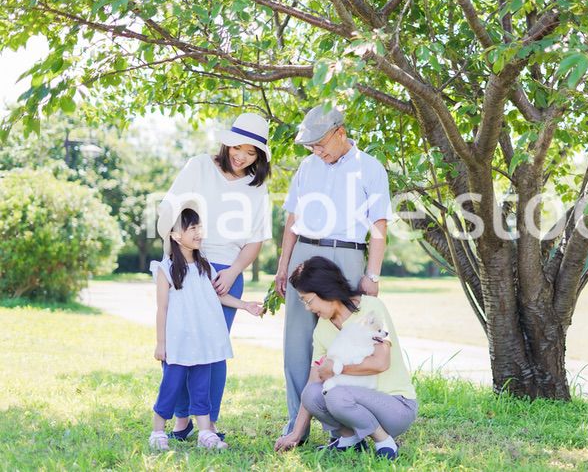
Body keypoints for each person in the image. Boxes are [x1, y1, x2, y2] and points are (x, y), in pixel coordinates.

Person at [274, 105, 393, 441]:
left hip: (347, 254)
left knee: (346, 341)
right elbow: (292, 219)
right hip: (304, 252)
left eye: (320, 143)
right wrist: (283, 265)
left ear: (340, 132)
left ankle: (339, 427)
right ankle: (295, 424)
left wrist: (373, 275)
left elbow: (379, 225)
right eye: (311, 146)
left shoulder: (370, 167)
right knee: (296, 343)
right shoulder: (306, 166)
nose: (316, 150)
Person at [157, 112, 271, 440]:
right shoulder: (199, 166)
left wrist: (232, 272)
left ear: (259, 157)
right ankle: (181, 420)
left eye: (251, 153)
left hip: (226, 272)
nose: (242, 157)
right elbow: (170, 210)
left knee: (213, 351)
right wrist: (178, 257)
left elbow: (255, 240)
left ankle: (210, 423)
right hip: (187, 264)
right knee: (179, 344)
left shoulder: (257, 188)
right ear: (227, 143)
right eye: (238, 148)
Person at [274, 257, 417, 460]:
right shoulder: (322, 328)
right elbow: (314, 380)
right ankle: (350, 440)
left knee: (335, 394)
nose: (307, 308)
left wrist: (336, 368)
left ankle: (385, 442)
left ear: (326, 290)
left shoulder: (370, 308)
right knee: (312, 394)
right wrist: (296, 433)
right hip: (353, 401)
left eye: (308, 300)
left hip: (395, 406)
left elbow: (381, 362)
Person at [148, 204, 263, 451]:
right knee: (171, 385)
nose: (199, 232)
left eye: (200, 227)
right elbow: (162, 309)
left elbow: (219, 296)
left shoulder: (204, 265)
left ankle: (204, 433)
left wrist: (245, 305)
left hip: (204, 341)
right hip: (179, 341)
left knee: (201, 387)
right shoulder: (165, 269)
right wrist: (161, 343)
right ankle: (158, 431)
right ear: (175, 235)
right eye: (192, 228)